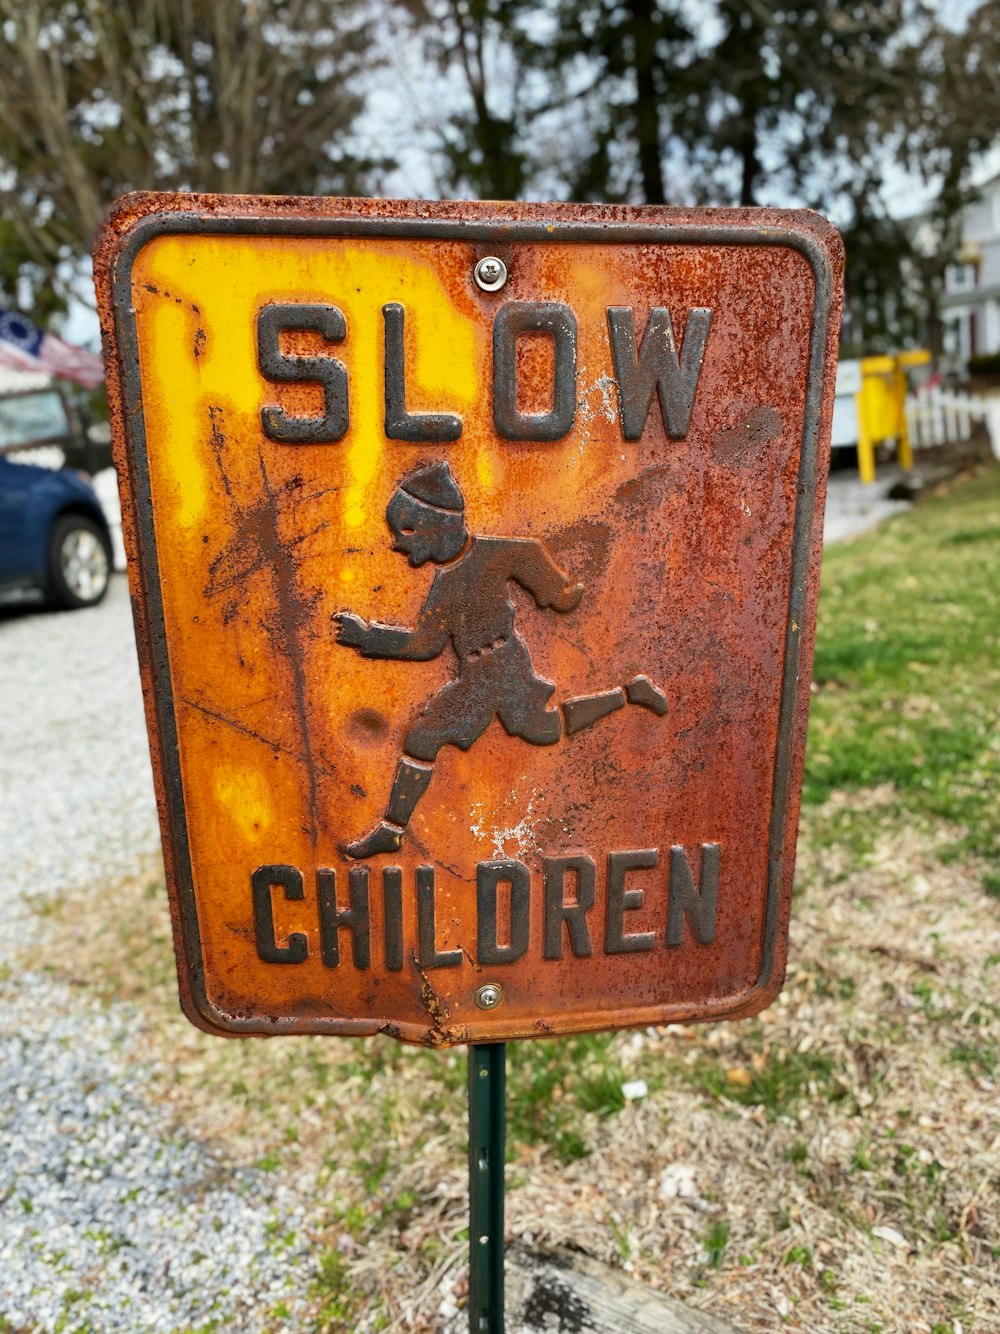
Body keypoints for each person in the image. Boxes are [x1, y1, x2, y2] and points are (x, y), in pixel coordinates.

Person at [335, 461, 666, 859]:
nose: (399, 544)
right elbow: (426, 643)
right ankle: (392, 831)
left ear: (438, 525)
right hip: (477, 674)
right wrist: (368, 638)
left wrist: (558, 592)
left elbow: (524, 553)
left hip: (505, 664)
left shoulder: (488, 555)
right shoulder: (446, 580)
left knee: (540, 729)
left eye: (406, 531)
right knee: (427, 735)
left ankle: (630, 692)